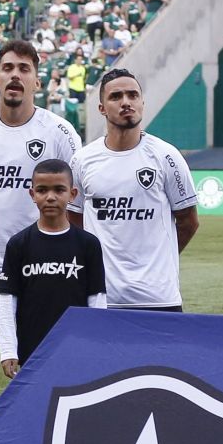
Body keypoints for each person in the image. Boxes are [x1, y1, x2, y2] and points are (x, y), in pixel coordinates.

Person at [0, 40, 81, 444]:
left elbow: (73, 197)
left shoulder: (59, 132)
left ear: (36, 80)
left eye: (24, 68)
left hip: (40, 271)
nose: (15, 75)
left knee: (41, 363)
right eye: (7, 67)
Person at [71, 69, 199, 314]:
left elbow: (188, 221)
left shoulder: (166, 156)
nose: (126, 102)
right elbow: (74, 220)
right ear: (101, 108)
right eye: (116, 96)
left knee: (159, 355)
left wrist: (160, 261)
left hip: (159, 296)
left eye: (132, 95)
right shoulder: (82, 160)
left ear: (142, 102)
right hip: (101, 296)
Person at [0, 159, 106, 378]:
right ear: (32, 194)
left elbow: (97, 299)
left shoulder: (88, 244)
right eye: (42, 190)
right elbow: (8, 299)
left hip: (76, 345)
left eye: (59, 190)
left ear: (73, 194)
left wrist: (95, 342)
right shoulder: (18, 244)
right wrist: (9, 349)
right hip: (31, 345)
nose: (50, 197)